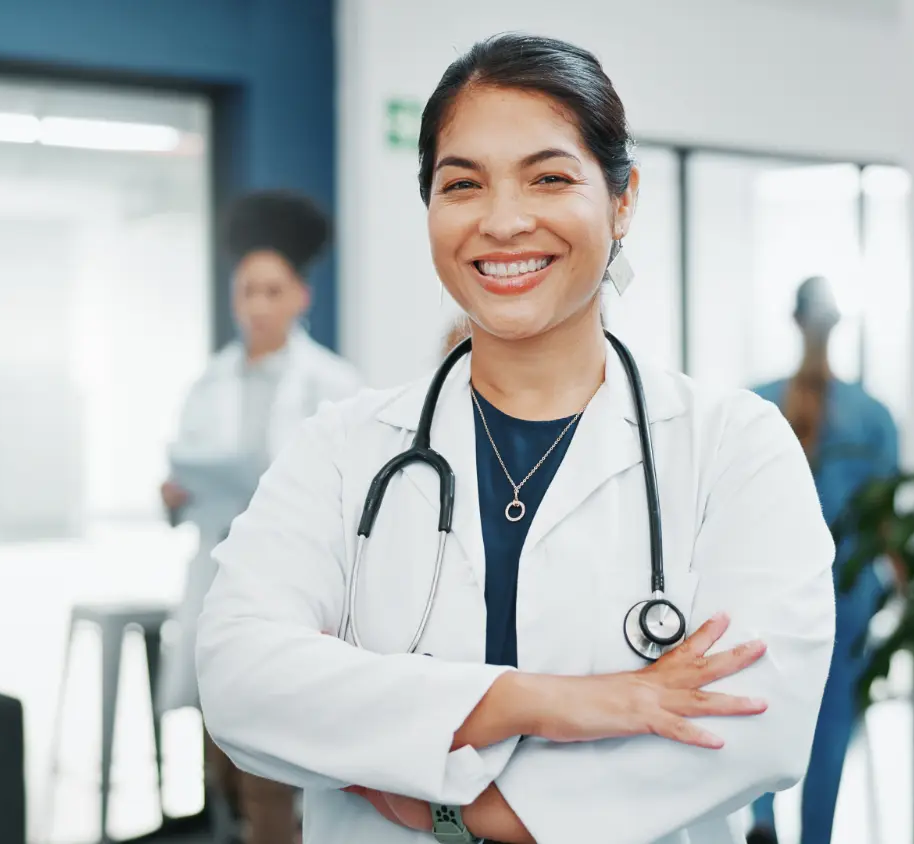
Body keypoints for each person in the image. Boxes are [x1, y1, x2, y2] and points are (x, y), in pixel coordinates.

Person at [194, 33, 836, 844]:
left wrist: (451, 806)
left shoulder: (733, 448)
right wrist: (555, 699)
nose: (503, 222)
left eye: (550, 178)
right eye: (462, 184)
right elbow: (239, 678)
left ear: (623, 199)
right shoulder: (343, 449)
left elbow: (750, 728)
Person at [156, 190, 364, 844]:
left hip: (291, 584)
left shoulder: (334, 383)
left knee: (269, 739)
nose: (258, 305)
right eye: (248, 291)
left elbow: (352, 497)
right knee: (220, 737)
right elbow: (184, 480)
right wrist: (172, 496)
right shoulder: (207, 383)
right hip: (216, 569)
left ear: (301, 296)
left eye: (273, 291)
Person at [745, 276, 901, 844]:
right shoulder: (874, 415)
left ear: (793, 322)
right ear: (836, 327)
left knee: (760, 708)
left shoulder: (755, 403)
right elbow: (889, 523)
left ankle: (762, 822)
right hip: (848, 594)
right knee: (833, 727)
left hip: (768, 590)